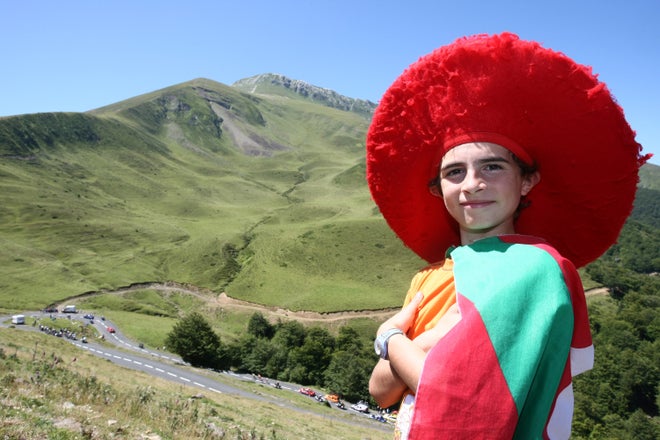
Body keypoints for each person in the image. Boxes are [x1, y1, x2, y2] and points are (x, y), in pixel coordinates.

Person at [365, 33, 649, 439]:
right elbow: (380, 390)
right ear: (437, 189)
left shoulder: (534, 271)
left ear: (528, 181)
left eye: (493, 167)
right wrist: (416, 344)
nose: (472, 185)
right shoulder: (428, 278)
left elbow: (453, 399)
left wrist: (391, 336)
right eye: (454, 172)